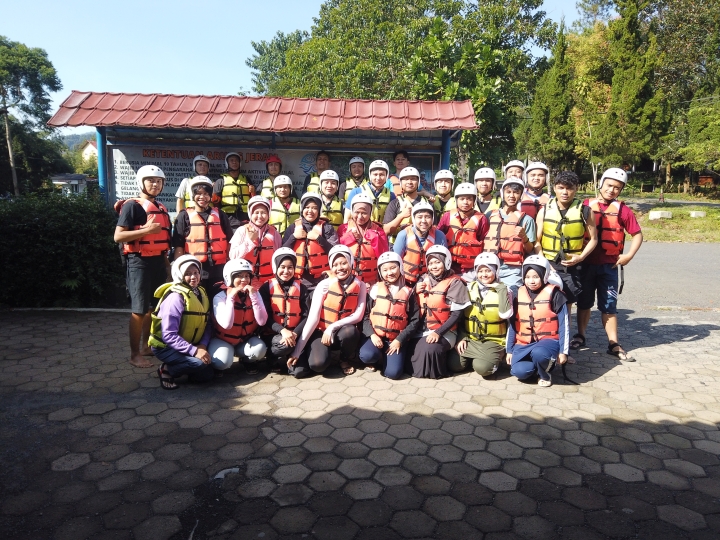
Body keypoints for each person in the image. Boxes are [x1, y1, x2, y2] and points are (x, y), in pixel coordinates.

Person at [575, 167, 643, 361]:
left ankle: (613, 343)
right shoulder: (585, 205)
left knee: (609, 306)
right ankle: (580, 335)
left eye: (617, 188)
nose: (612, 190)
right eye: (609, 185)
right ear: (601, 184)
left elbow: (637, 234)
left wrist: (629, 255)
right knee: (584, 303)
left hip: (609, 267)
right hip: (586, 264)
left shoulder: (623, 210)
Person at [114, 165, 172, 369]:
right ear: (141, 182)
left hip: (157, 261)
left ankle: (147, 346)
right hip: (139, 262)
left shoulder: (161, 207)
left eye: (159, 181)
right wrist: (146, 230)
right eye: (151, 180)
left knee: (152, 309)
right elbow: (118, 236)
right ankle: (134, 354)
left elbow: (163, 243)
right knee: (139, 310)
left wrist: (167, 267)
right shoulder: (132, 206)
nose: (155, 184)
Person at [287, 245, 367, 377]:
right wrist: (297, 351)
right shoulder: (324, 285)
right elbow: (312, 319)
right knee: (318, 365)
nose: (340, 268)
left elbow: (358, 315)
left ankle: (343, 359)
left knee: (351, 332)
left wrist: (332, 327)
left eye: (344, 263)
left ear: (351, 263)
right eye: (335, 265)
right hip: (321, 332)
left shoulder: (361, 285)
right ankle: (320, 352)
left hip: (341, 331)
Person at [535, 171, 598, 318]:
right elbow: (536, 241)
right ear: (554, 188)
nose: (565, 192)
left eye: (569, 188)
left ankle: (566, 331)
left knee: (567, 302)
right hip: (549, 262)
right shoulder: (544, 210)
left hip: (572, 264)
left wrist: (581, 257)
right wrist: (543, 262)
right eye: (561, 188)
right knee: (546, 301)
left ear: (576, 189)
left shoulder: (585, 211)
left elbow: (594, 239)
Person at [149, 255, 214, 389]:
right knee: (199, 363)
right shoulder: (175, 297)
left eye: (196, 272)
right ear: (179, 275)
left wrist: (202, 345)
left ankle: (185, 367)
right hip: (166, 347)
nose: (193, 277)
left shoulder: (200, 292)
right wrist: (194, 351)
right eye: (188, 274)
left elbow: (207, 323)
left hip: (189, 343)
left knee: (206, 376)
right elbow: (168, 335)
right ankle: (166, 369)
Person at [507, 255, 569, 387]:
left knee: (539, 353)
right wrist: (509, 350)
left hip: (548, 342)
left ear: (544, 275)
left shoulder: (556, 294)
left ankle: (545, 374)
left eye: (536, 277)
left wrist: (564, 352)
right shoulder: (518, 294)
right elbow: (512, 325)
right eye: (527, 277)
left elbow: (565, 325)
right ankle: (538, 367)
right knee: (520, 372)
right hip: (523, 343)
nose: (531, 281)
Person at [410, 245, 470, 379]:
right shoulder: (423, 279)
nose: (434, 266)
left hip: (446, 331)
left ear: (446, 262)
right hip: (422, 329)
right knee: (409, 350)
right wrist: (414, 290)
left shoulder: (456, 283)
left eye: (437, 262)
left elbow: (456, 315)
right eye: (430, 263)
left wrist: (438, 333)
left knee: (429, 349)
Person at [448, 253, 512, 377]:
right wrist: (462, 337)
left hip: (494, 341)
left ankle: (491, 359)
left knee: (482, 368)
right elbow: (460, 318)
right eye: (480, 271)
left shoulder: (505, 290)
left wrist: (501, 290)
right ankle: (479, 358)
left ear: (496, 271)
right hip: (471, 339)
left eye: (488, 270)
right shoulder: (468, 288)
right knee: (454, 365)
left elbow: (506, 316)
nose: (484, 274)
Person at [360, 252, 421, 378]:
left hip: (395, 339)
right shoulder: (374, 289)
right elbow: (365, 316)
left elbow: (414, 321)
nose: (390, 273)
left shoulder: (409, 292)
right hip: (376, 336)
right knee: (367, 355)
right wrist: (372, 335)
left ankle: (387, 359)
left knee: (393, 373)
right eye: (385, 270)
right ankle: (376, 357)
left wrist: (399, 340)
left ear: (400, 268)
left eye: (393, 268)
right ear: (380, 272)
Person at [172, 176, 234, 298]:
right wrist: (178, 272)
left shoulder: (221, 215)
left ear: (210, 196)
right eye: (198, 193)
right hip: (194, 272)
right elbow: (179, 246)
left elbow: (229, 242)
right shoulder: (184, 216)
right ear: (192, 195)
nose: (202, 197)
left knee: (217, 303)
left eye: (206, 194)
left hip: (218, 270)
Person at [208, 258, 268, 376]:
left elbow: (262, 321)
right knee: (223, 362)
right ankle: (222, 360)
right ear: (229, 278)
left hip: (244, 341)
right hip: (223, 340)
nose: (244, 279)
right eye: (239, 276)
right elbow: (227, 324)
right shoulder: (219, 297)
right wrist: (230, 297)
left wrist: (254, 297)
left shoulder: (255, 294)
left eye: (247, 276)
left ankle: (246, 361)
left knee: (260, 349)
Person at [258, 248, 310, 373]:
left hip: (295, 334)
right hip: (273, 335)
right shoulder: (266, 287)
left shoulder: (302, 288)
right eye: (282, 267)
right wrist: (283, 330)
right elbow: (264, 317)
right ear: (275, 267)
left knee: (300, 372)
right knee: (285, 345)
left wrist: (295, 333)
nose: (286, 271)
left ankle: (291, 356)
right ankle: (271, 358)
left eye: (290, 267)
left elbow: (306, 315)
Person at [484, 177, 537, 294]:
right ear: (502, 193)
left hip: (512, 270)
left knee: (510, 298)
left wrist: (524, 237)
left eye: (516, 192)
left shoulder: (527, 220)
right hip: (489, 267)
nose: (512, 196)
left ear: (521, 195)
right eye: (508, 192)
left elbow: (530, 249)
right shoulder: (489, 215)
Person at [282, 192, 339, 291]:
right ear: (302, 209)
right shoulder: (293, 228)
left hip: (321, 280)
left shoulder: (327, 228)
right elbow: (282, 252)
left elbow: (335, 252)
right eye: (307, 207)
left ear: (319, 210)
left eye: (314, 208)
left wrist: (319, 239)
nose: (310, 211)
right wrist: (293, 237)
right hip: (296, 281)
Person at [439, 182, 489, 279]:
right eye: (462, 199)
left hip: (470, 269)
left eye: (469, 199)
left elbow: (485, 242)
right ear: (456, 200)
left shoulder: (481, 219)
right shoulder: (447, 216)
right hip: (449, 266)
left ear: (474, 200)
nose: (465, 202)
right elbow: (438, 237)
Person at [229, 196, 282, 287]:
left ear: (269, 214)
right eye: (256, 213)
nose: (260, 216)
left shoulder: (275, 233)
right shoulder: (242, 230)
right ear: (250, 214)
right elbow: (233, 256)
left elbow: (279, 258)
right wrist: (249, 241)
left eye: (263, 213)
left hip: (269, 281)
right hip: (246, 281)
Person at [338, 194, 389, 286]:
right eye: (357, 212)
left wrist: (375, 239)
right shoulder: (343, 228)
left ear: (370, 213)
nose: (360, 216)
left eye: (364, 213)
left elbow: (384, 256)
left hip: (372, 281)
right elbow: (336, 252)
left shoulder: (379, 231)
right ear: (352, 211)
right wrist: (349, 237)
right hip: (348, 279)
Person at [393, 201, 447, 286]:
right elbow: (395, 262)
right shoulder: (403, 235)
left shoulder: (439, 235)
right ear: (414, 219)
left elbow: (445, 262)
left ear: (432, 219)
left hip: (431, 281)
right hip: (406, 282)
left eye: (428, 217)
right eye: (419, 217)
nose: (423, 221)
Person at [383, 166, 429, 247]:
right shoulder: (394, 203)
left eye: (413, 179)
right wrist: (401, 216)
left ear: (418, 182)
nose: (409, 182)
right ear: (400, 182)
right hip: (397, 246)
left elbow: (434, 229)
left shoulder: (427, 203)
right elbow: (386, 230)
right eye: (406, 179)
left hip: (421, 246)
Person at [345, 159, 396, 224]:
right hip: (360, 229)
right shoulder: (356, 192)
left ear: (387, 176)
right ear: (370, 175)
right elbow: (347, 218)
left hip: (382, 229)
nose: (378, 178)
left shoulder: (391, 196)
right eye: (375, 174)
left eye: (382, 175)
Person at [213, 152, 252, 231]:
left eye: (236, 160)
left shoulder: (247, 180)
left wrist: (253, 192)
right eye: (231, 160)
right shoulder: (221, 180)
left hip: (244, 217)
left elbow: (253, 199)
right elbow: (215, 201)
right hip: (228, 217)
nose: (234, 162)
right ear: (227, 163)